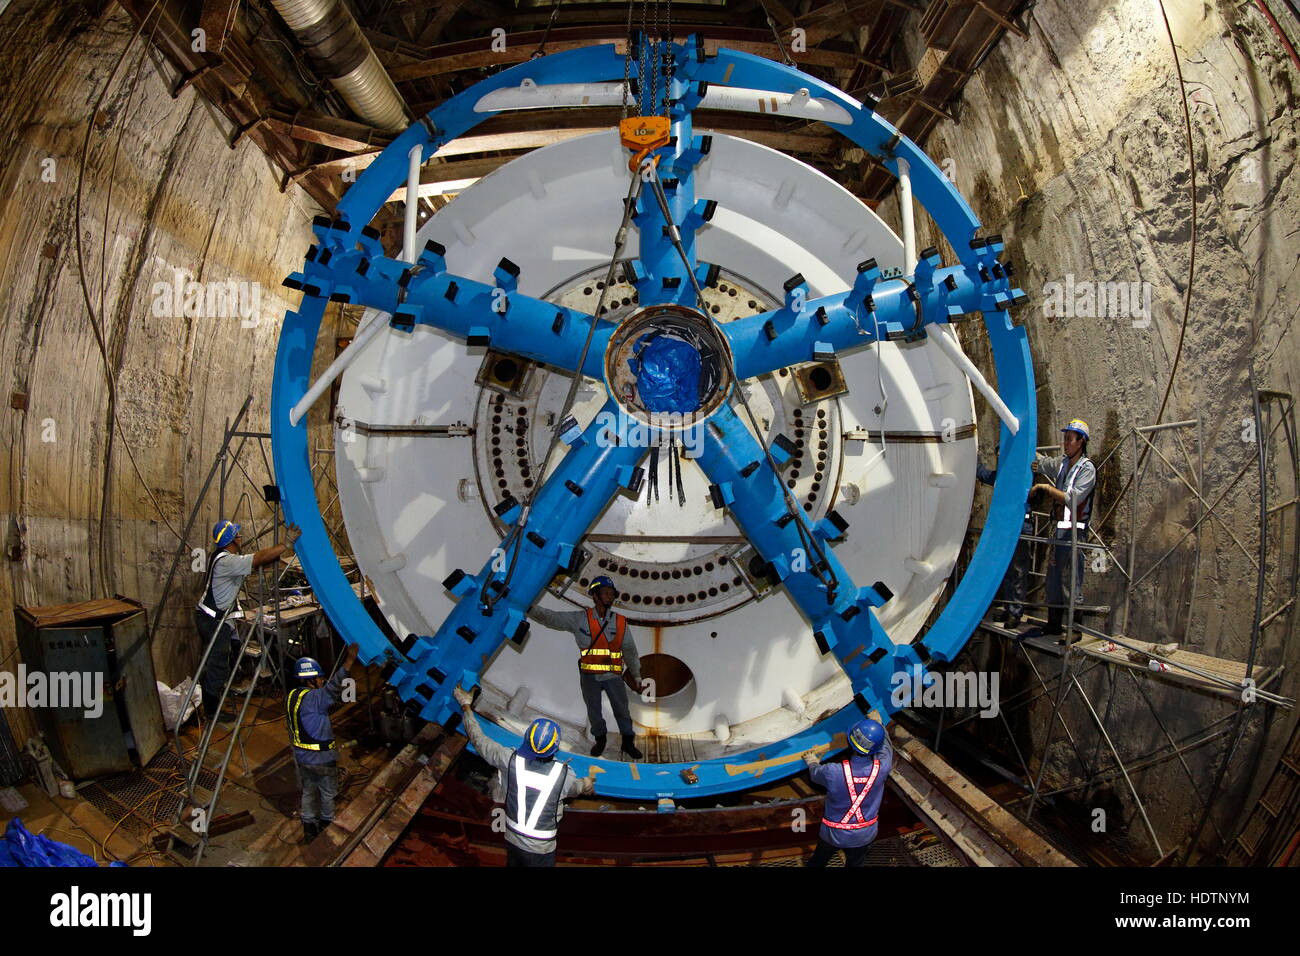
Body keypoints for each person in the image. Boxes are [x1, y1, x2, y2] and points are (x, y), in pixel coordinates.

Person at [452, 684, 596, 867]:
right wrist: (587, 782)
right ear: (554, 749)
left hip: (513, 840)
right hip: (540, 851)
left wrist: (466, 706)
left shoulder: (510, 760)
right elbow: (577, 788)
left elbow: (479, 741)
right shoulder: (564, 775)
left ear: (527, 740)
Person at [527, 575, 644, 759]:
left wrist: (636, 675)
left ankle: (628, 743)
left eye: (611, 593)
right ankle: (600, 740)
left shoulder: (620, 622)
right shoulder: (579, 619)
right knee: (594, 711)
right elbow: (552, 618)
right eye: (605, 592)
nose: (609, 596)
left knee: (622, 710)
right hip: (589, 676)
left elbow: (629, 649)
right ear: (595, 596)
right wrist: (529, 608)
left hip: (613, 676)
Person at [195, 519, 300, 718]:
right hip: (214, 621)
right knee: (218, 665)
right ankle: (212, 712)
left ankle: (230, 684)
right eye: (238, 535)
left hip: (216, 618)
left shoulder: (219, 556)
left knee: (234, 651)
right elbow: (258, 558)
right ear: (232, 540)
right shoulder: (228, 561)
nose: (241, 537)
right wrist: (285, 545)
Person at [1028, 419, 1096, 642]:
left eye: (1070, 439)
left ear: (1081, 442)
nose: (1065, 442)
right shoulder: (1063, 463)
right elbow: (1044, 464)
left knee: (1071, 580)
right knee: (1054, 579)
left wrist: (1047, 488)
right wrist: (1027, 449)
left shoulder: (1086, 469)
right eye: (1065, 438)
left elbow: (1073, 498)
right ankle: (1054, 624)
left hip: (1074, 534)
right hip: (1058, 532)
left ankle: (1074, 630)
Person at [287, 644, 359, 843]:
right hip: (322, 759)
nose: (322, 680)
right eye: (319, 677)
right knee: (328, 793)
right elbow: (335, 686)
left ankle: (309, 829)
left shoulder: (292, 696)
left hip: (302, 758)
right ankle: (327, 826)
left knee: (309, 792)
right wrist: (350, 660)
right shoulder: (316, 698)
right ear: (310, 680)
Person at [803, 718, 894, 867]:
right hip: (864, 836)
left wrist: (812, 761)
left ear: (850, 741)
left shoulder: (832, 771)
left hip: (832, 835)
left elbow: (815, 774)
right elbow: (886, 749)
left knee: (817, 862)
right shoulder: (882, 768)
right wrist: (881, 725)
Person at [976, 459, 1034, 628]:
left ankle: (1015, 612)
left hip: (1019, 529)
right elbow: (984, 474)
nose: (1000, 457)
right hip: (1006, 529)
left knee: (1017, 571)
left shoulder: (1023, 476)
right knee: (1007, 571)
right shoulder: (1001, 476)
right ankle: (1009, 609)